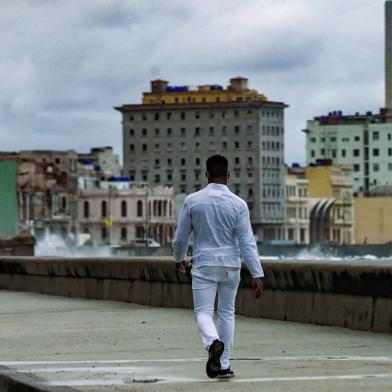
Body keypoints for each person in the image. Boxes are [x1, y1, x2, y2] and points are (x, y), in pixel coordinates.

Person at [173, 154, 264, 379]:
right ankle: (223, 366)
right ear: (228, 175)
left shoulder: (192, 200)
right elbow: (247, 242)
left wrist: (179, 258)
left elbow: (181, 237)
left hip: (203, 264)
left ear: (206, 174)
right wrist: (257, 273)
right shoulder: (239, 204)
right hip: (230, 265)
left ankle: (213, 343)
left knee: (203, 312)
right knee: (227, 313)